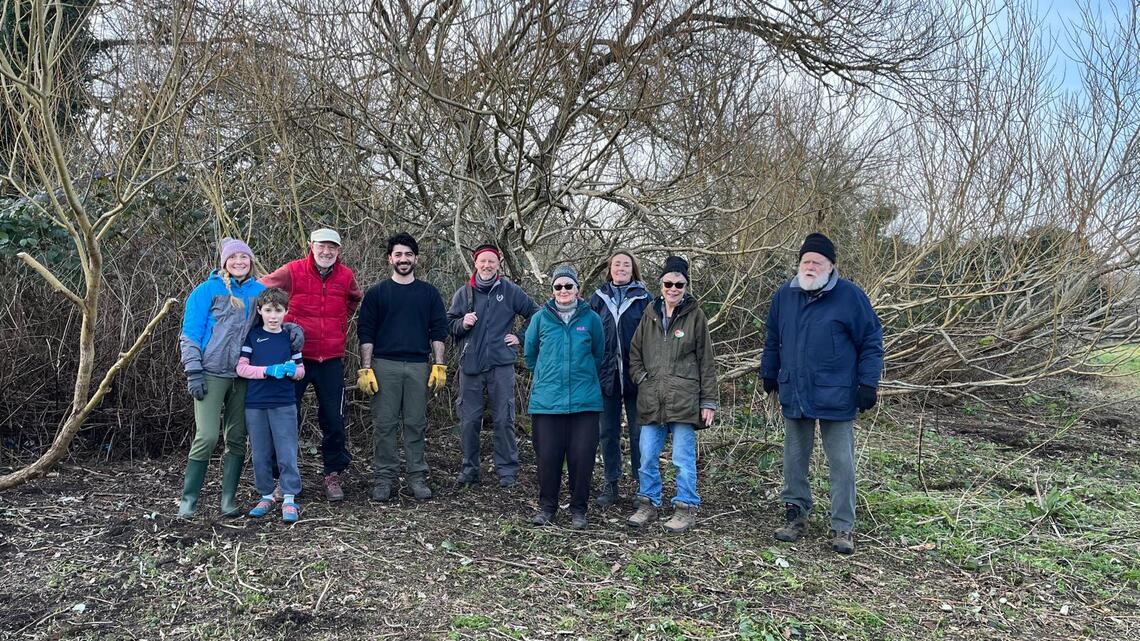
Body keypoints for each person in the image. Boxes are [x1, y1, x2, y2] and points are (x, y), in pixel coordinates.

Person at [760, 232, 884, 555]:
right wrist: (769, 371)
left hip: (838, 394)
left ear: (831, 266)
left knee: (841, 462)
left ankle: (843, 525)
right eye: (805, 261)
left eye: (817, 261)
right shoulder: (784, 296)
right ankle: (795, 515)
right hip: (796, 390)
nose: (810, 266)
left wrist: (868, 383)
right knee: (794, 458)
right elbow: (773, 337)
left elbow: (871, 340)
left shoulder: (850, 297)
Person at [261, 228, 363, 501]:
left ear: (338, 251)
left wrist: (340, 321)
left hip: (330, 359)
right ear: (311, 246)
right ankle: (284, 478)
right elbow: (260, 288)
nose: (327, 252)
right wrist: (279, 325)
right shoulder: (292, 271)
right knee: (285, 419)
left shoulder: (346, 276)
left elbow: (354, 298)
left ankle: (332, 475)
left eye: (332, 247)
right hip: (295, 357)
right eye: (322, 246)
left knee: (334, 419)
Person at [626, 256, 718, 534]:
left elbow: (706, 361)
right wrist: (644, 380)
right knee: (647, 455)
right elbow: (634, 355)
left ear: (685, 285)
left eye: (679, 284)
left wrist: (709, 401)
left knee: (682, 458)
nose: (673, 288)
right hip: (652, 399)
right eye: (668, 283)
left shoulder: (695, 316)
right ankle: (648, 503)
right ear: (661, 284)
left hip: (684, 400)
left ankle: (685, 507)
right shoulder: (649, 315)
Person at [356, 233, 449, 502]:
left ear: (416, 259)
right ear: (389, 258)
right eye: (398, 254)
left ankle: (417, 477)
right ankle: (384, 478)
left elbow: (438, 330)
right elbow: (366, 333)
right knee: (384, 424)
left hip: (419, 366)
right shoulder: (377, 294)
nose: (403, 259)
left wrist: (439, 364)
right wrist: (366, 368)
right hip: (385, 366)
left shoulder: (428, 293)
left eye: (408, 254)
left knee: (416, 423)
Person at [177, 238, 266, 518]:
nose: (239, 262)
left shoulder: (260, 292)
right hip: (210, 373)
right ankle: (188, 500)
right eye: (233, 257)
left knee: (237, 437)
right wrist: (193, 370)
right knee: (207, 435)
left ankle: (228, 500)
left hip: (242, 374)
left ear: (251, 261)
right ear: (224, 261)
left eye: (245, 257)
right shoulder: (207, 290)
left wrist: (292, 334)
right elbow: (190, 333)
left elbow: (275, 321)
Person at [446, 243, 539, 487]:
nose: (487, 266)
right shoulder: (464, 293)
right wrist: (462, 324)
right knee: (469, 420)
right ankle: (469, 470)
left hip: (501, 364)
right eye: (483, 261)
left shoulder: (510, 291)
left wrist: (520, 336)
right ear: (475, 263)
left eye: (492, 262)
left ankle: (507, 471)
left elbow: (535, 313)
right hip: (471, 365)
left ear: (499, 265)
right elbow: (448, 324)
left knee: (504, 418)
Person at [524, 265, 606, 528]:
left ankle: (578, 509)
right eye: (558, 286)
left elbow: (599, 354)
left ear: (577, 290)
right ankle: (547, 507)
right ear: (552, 291)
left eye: (568, 286)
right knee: (548, 457)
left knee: (582, 458)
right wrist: (548, 376)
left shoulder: (591, 319)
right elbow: (530, 355)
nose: (563, 291)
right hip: (547, 403)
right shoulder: (540, 319)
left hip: (585, 402)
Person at [236, 287, 306, 522]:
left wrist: (292, 371)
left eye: (278, 311)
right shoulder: (253, 336)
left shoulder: (290, 338)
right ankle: (266, 495)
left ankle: (289, 498)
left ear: (286, 312)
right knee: (260, 454)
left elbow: (301, 370)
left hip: (284, 402)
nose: (273, 316)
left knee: (287, 452)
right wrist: (267, 371)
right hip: (255, 403)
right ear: (260, 311)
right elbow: (241, 368)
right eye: (268, 311)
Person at [589, 250, 651, 507]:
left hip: (637, 375)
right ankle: (611, 483)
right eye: (617, 264)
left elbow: (654, 336)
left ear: (633, 269)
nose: (621, 268)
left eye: (626, 265)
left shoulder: (644, 299)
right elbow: (589, 335)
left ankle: (643, 486)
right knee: (607, 432)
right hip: (606, 375)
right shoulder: (598, 297)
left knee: (640, 434)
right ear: (610, 269)